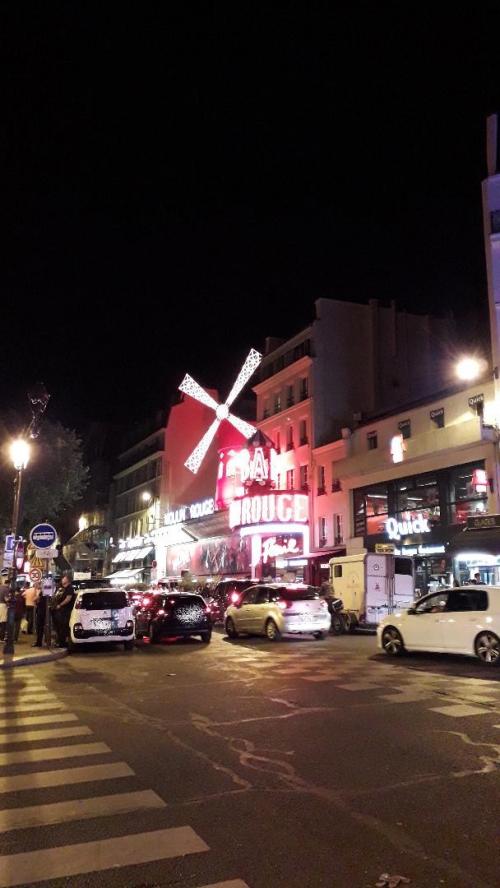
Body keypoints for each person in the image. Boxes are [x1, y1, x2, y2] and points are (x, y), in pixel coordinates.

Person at [51, 575, 76, 648]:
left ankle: (62, 643)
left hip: (65, 611)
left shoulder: (69, 588)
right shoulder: (61, 589)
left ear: (67, 580)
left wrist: (60, 605)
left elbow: (68, 599)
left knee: (63, 627)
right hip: (58, 611)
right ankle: (59, 641)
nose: (62, 580)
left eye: (64, 579)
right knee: (58, 627)